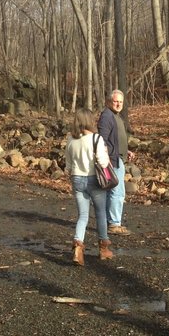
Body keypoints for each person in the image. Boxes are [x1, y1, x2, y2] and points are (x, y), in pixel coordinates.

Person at [64, 108, 114, 265]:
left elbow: (68, 165)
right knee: (100, 213)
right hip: (94, 179)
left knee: (83, 216)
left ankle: (78, 247)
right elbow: (103, 162)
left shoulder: (71, 140)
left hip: (77, 178)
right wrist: (105, 152)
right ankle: (103, 249)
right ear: (90, 120)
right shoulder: (96, 139)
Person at [97, 89, 135, 236]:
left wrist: (127, 152)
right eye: (115, 101)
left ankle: (111, 222)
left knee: (114, 191)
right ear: (109, 102)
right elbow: (102, 140)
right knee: (117, 192)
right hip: (112, 160)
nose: (118, 104)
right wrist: (107, 160)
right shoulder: (106, 116)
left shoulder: (116, 116)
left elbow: (116, 140)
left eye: (120, 101)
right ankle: (114, 224)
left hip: (118, 157)